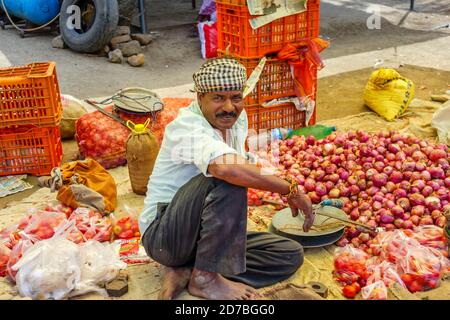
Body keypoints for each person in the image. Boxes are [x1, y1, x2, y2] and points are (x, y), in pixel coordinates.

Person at [139, 58, 315, 300]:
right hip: (165, 236)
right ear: (200, 98)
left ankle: (189, 270)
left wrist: (274, 177)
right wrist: (289, 189)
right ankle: (205, 279)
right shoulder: (186, 126)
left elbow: (239, 163)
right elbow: (226, 169)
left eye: (236, 97)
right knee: (227, 178)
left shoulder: (235, 120)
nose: (229, 107)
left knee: (287, 253)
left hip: (197, 238)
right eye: (218, 98)